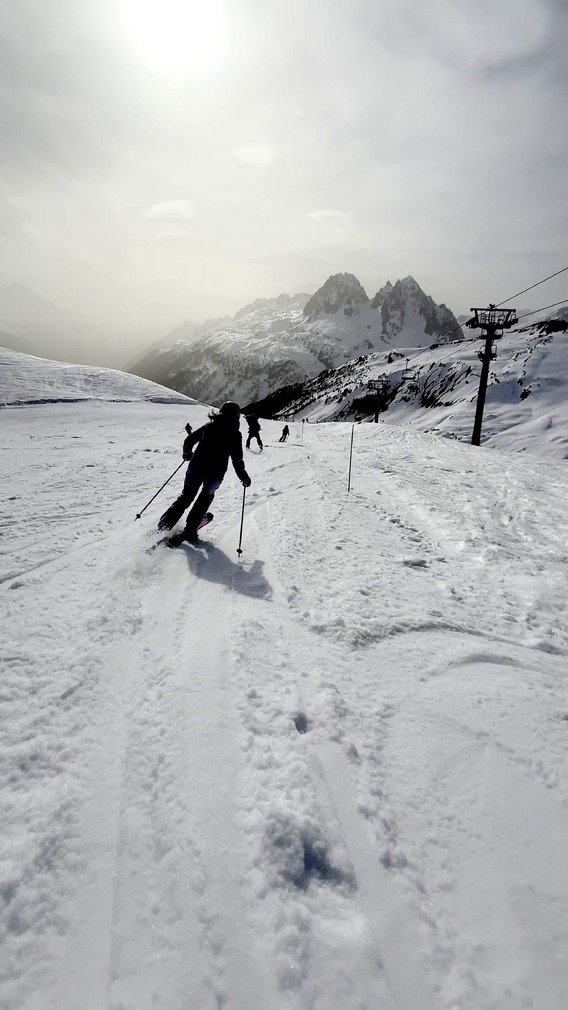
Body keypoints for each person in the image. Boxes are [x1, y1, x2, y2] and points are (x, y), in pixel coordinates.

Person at [158, 401, 251, 543]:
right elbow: (237, 460)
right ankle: (189, 530)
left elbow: (189, 440)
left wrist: (187, 454)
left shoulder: (209, 427)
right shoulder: (235, 435)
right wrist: (243, 477)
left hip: (196, 468)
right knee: (205, 498)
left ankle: (164, 525)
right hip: (215, 474)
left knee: (186, 497)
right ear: (236, 416)